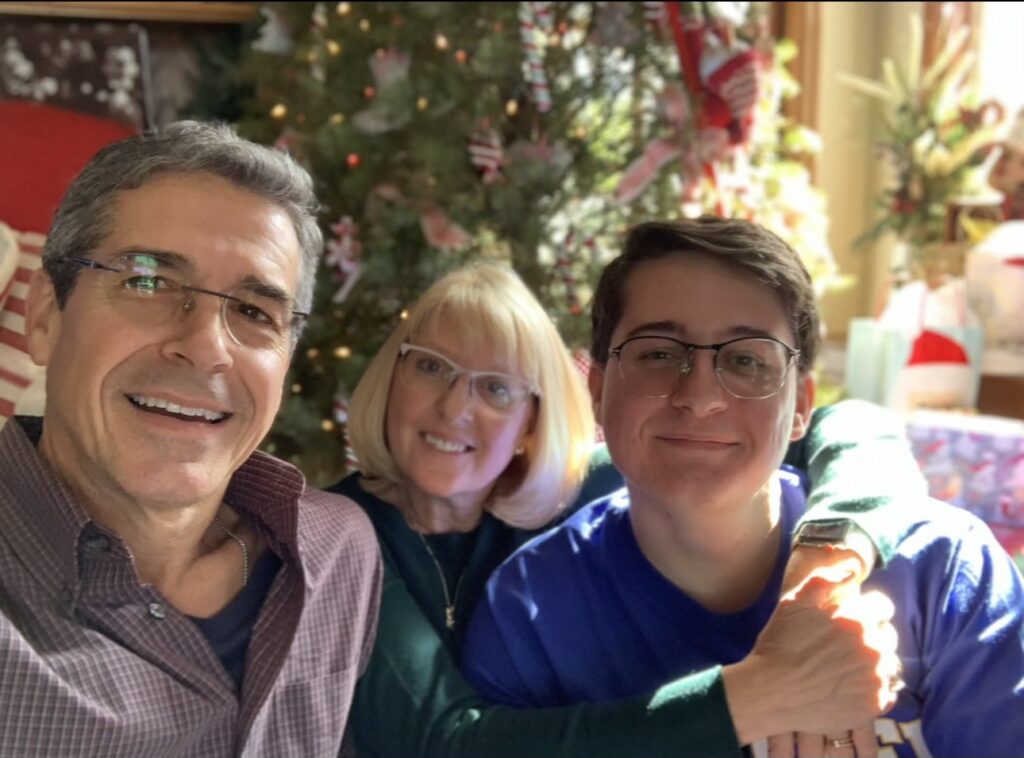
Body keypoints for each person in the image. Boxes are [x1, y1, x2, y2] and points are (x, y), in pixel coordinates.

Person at [462, 218, 1024, 757]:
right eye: (659, 353)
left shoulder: (943, 575)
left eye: (748, 360)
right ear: (600, 390)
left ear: (801, 407)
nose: (701, 397)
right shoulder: (529, 619)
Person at [333, 260, 928, 757]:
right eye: (432, 366)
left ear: (531, 421)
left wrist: (830, 551)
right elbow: (446, 746)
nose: (455, 407)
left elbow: (846, 427)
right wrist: (752, 696)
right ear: (393, 376)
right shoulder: (336, 535)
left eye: (496, 388)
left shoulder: (564, 487)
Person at [0, 122, 382, 757]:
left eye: (256, 312)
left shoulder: (338, 553)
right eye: (147, 280)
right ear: (45, 317)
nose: (207, 347)